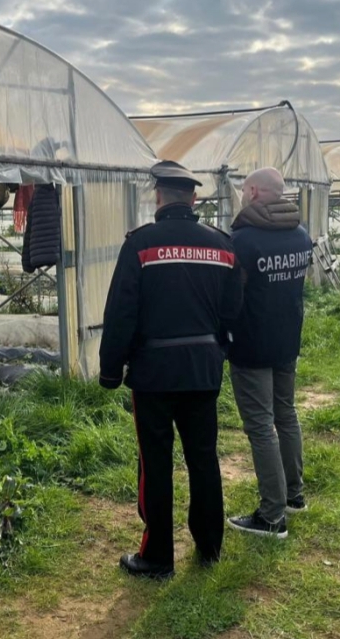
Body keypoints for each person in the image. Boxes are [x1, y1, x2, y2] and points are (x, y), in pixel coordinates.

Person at [99, 160, 243, 579]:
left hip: (153, 374)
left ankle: (158, 556)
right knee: (203, 458)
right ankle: (210, 547)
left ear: (158, 197)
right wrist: (217, 348)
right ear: (193, 199)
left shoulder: (141, 245)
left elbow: (121, 313)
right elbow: (233, 310)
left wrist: (111, 372)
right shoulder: (222, 246)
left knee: (156, 463)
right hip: (202, 371)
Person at [225, 167, 313, 539]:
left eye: (245, 190)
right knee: (286, 414)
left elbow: (230, 296)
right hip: (287, 339)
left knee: (261, 426)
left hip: (251, 345)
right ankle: (294, 495)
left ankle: (272, 515)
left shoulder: (243, 241)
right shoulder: (301, 236)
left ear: (256, 193)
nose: (243, 196)